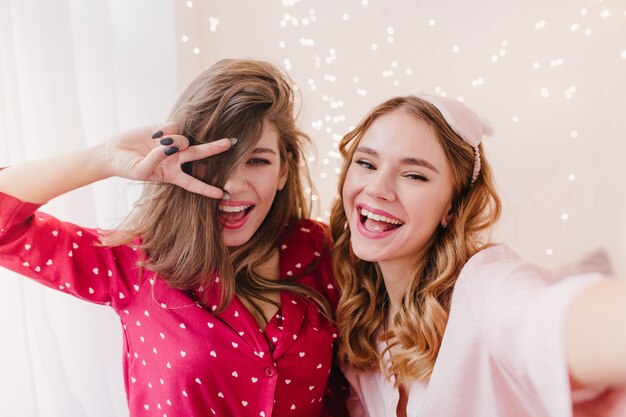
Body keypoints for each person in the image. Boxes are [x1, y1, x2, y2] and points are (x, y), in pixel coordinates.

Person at [0, 59, 346, 417]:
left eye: (257, 161)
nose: (232, 186)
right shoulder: (136, 265)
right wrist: (104, 157)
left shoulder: (321, 250)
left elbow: (349, 391)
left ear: (283, 171)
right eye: (217, 160)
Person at [329, 94, 626, 416]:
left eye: (414, 175)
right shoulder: (361, 321)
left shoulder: (485, 284)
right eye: (366, 164)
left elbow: (542, 318)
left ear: (454, 206)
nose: (376, 188)